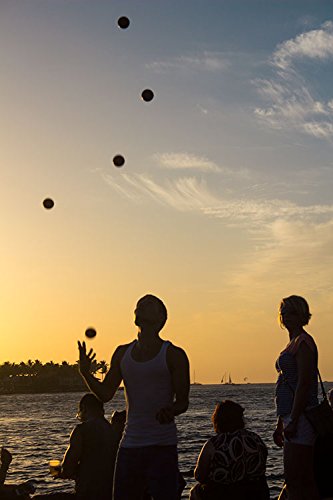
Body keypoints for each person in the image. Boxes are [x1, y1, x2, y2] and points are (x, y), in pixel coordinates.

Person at [78, 294, 190, 500]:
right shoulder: (122, 353)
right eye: (139, 305)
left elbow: (183, 401)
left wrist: (171, 410)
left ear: (161, 318)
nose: (141, 306)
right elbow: (105, 394)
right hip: (130, 444)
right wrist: (86, 373)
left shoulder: (174, 354)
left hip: (162, 445)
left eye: (148, 305)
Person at [273, 295, 319, 500]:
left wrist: (294, 418)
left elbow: (304, 384)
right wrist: (281, 422)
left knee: (297, 477)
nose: (285, 316)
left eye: (291, 312)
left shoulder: (302, 343)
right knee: (295, 477)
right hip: (291, 416)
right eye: (283, 312)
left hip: (301, 417)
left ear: (301, 315)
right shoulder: (293, 343)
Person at [41, 393, 124, 500]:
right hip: (111, 492)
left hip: (88, 492)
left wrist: (57, 472)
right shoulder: (114, 431)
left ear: (83, 408)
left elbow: (68, 468)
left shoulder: (81, 430)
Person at [190, 400, 269, 500]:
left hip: (225, 494)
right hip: (257, 493)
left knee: (195, 491)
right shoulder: (255, 439)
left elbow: (199, 475)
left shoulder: (214, 444)